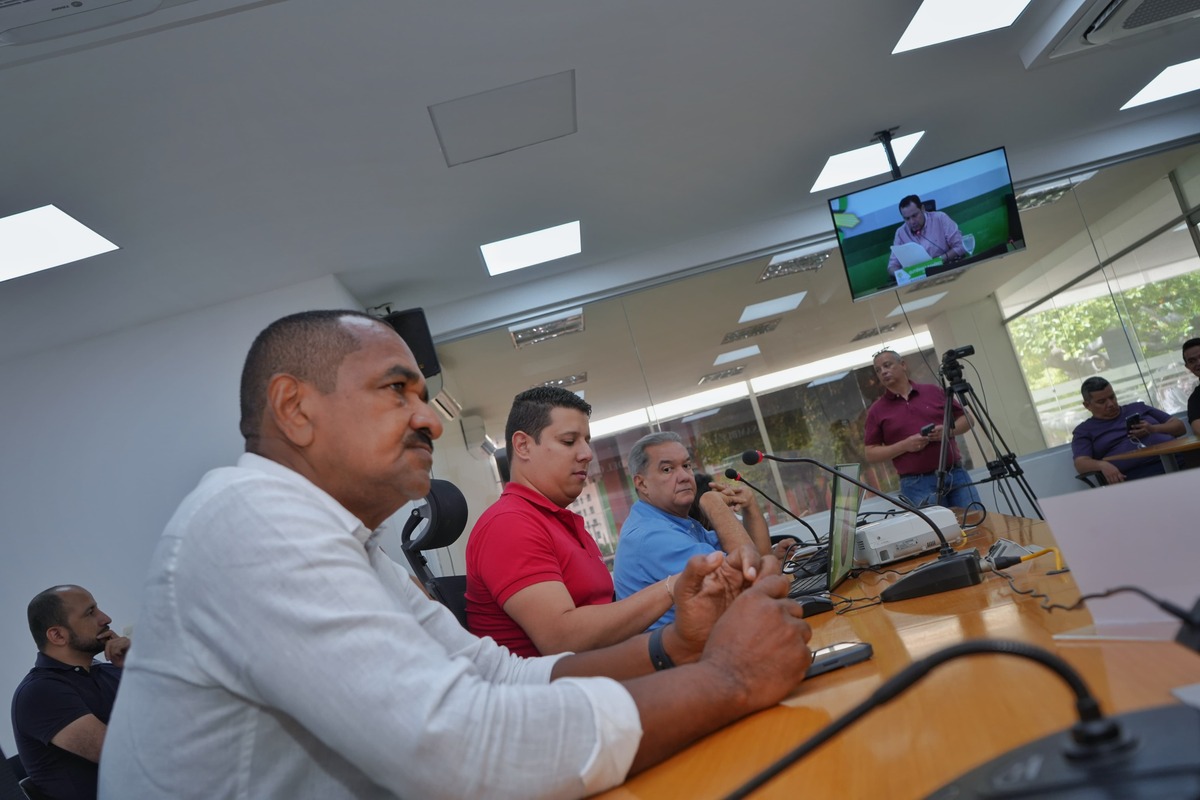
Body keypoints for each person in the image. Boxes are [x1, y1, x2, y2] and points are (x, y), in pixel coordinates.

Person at [98, 310, 814, 800]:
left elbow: (492, 674)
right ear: (294, 409)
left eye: (424, 396)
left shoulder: (357, 544)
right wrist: (728, 677)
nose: (425, 419)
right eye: (396, 390)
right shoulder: (250, 519)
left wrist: (675, 649)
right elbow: (461, 750)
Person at [466, 389, 704, 656]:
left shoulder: (561, 522)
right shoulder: (508, 524)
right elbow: (562, 639)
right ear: (523, 446)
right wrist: (671, 587)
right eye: (569, 441)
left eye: (586, 441)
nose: (587, 453)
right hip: (560, 693)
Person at [612, 432, 784, 630]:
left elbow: (760, 563)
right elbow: (753, 585)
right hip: (688, 658)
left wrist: (750, 506)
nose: (684, 476)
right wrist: (713, 505)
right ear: (642, 484)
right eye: (667, 469)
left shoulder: (676, 522)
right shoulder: (651, 537)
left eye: (686, 466)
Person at [12, 585, 130, 800]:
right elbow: (123, 755)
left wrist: (140, 667)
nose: (106, 618)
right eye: (90, 612)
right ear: (57, 635)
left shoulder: (112, 670)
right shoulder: (40, 693)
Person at [864, 349, 981, 509]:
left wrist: (947, 431)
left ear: (903, 365)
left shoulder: (933, 392)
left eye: (887, 365)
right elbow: (870, 453)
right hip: (916, 484)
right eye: (878, 370)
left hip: (956, 474)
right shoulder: (876, 411)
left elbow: (968, 420)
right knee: (938, 533)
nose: (883, 372)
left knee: (978, 524)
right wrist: (905, 445)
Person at [1071, 376, 1185, 484]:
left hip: (1179, 460)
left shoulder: (1138, 408)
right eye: (1102, 402)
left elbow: (1180, 427)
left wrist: (1153, 429)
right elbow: (1081, 463)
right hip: (1138, 476)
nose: (1111, 404)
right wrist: (1102, 465)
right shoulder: (1084, 430)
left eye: (1112, 397)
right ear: (1087, 405)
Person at [886, 195, 967, 276]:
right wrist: (902, 275)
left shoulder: (940, 218)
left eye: (914, 216)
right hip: (918, 278)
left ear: (923, 209)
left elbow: (961, 246)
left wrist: (938, 261)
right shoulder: (900, 233)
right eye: (907, 218)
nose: (912, 222)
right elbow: (892, 267)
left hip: (947, 270)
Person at [1184, 338, 1200, 435]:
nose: (1198, 362)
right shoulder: (1195, 399)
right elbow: (1198, 428)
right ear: (1188, 367)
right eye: (1192, 361)